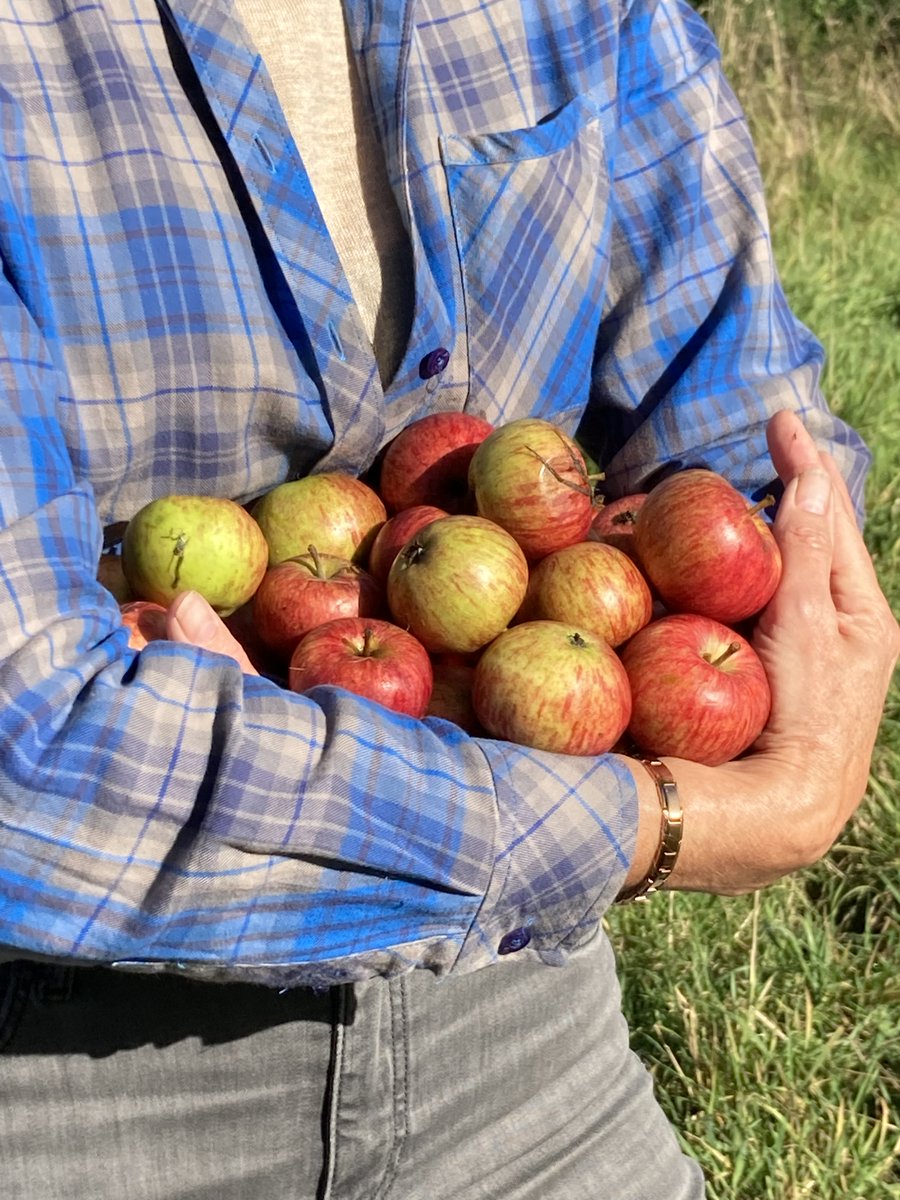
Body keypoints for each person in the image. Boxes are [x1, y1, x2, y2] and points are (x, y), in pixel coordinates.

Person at [0, 1, 895, 1197]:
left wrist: (798, 623)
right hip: (68, 1060)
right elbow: (30, 744)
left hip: (515, 1015)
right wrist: (668, 822)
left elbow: (737, 429)